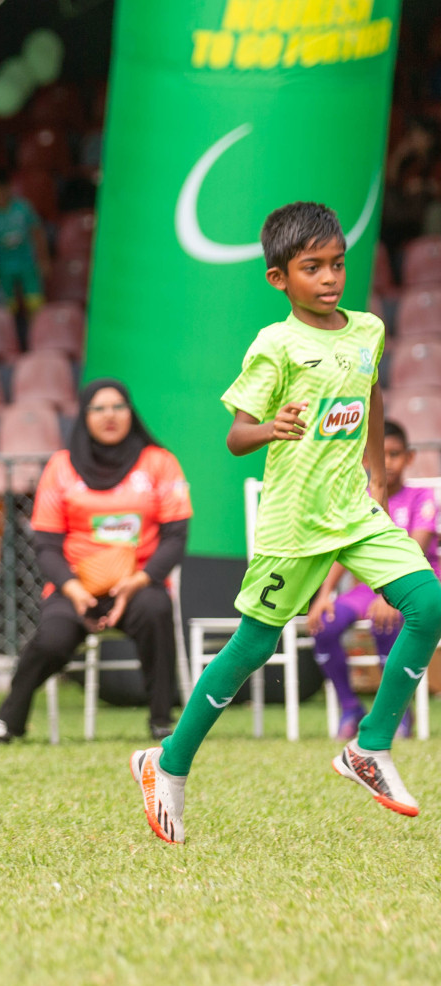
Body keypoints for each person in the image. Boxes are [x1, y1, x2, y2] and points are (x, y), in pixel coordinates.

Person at [131, 202, 441, 845]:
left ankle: (370, 748)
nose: (330, 278)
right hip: (293, 526)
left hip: (354, 510)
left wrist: (376, 472)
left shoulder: (367, 331)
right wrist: (272, 427)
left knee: (429, 603)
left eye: (337, 264)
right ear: (280, 278)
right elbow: (236, 436)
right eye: (312, 268)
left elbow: (372, 391)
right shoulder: (276, 344)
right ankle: (168, 763)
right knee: (253, 647)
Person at [0, 379, 191, 743]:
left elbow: (176, 537)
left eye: (118, 407)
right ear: (84, 415)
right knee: (51, 639)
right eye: (98, 408)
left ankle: (162, 719)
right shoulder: (61, 467)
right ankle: (9, 717)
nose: (109, 416)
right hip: (74, 585)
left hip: (138, 584)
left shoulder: (160, 462)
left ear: (131, 412)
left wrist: (139, 580)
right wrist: (74, 590)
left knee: (156, 610)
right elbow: (46, 544)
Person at [309, 420, 439, 739]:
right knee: (324, 624)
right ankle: (350, 707)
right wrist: (324, 593)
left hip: (412, 584)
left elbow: (415, 550)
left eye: (395, 454)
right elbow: (344, 550)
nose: (389, 462)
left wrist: (390, 595)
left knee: (388, 618)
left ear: (408, 458)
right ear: (366, 460)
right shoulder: (359, 500)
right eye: (382, 455)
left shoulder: (423, 497)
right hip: (368, 588)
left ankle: (396, 713)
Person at [0, 170, 49, 314]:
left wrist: (43, 259)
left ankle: (37, 333)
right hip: (3, 267)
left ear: (8, 189)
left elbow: (37, 233)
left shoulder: (23, 208)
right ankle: (10, 334)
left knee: (35, 303)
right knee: (6, 307)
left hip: (28, 262)